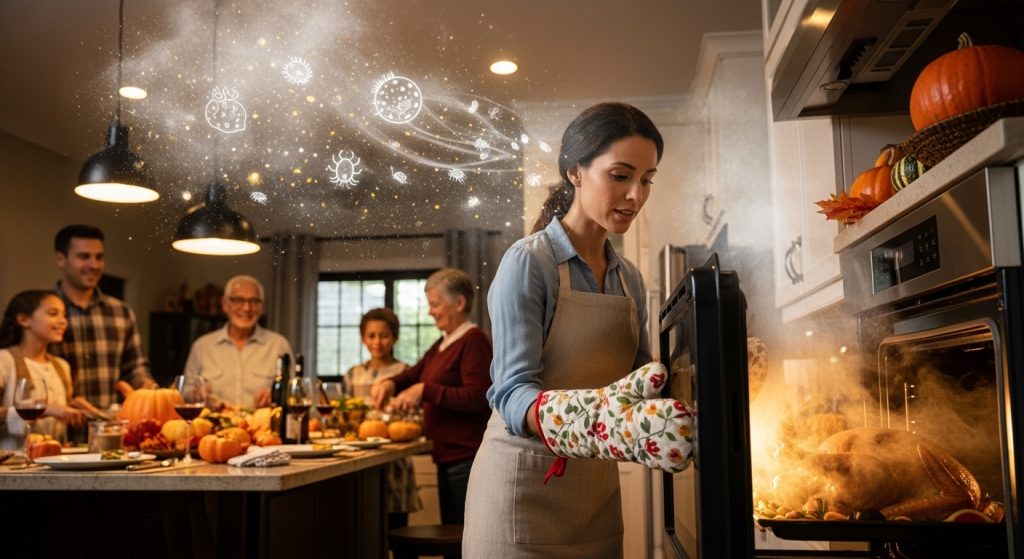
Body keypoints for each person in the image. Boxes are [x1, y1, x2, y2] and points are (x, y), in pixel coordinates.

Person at [463, 103, 695, 557]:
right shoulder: (530, 262)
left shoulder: (628, 276)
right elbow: (511, 393)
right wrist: (592, 422)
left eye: (647, 179)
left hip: (595, 498)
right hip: (521, 494)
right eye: (620, 175)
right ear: (575, 172)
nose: (635, 195)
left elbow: (642, 379)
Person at [371, 268, 492, 526]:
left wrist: (426, 390)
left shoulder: (474, 341)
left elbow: (479, 397)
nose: (430, 312)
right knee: (453, 538)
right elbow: (413, 375)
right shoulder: (442, 344)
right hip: (448, 457)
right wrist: (389, 383)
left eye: (434, 304)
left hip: (468, 460)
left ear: (459, 303)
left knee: (462, 542)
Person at [50, 225, 156, 411]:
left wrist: (147, 386)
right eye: (84, 257)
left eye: (99, 257)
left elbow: (135, 367)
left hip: (110, 427)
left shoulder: (121, 312)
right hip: (58, 430)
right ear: (60, 259)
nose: (94, 265)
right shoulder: (43, 314)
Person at [345, 308, 422, 529]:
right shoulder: (352, 374)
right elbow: (343, 421)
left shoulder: (405, 372)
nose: (377, 342)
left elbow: (415, 419)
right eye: (371, 336)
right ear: (362, 338)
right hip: (359, 461)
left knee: (397, 530)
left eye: (384, 335)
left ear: (395, 337)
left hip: (395, 464)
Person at [184, 275, 292, 409]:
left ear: (262, 307)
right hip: (213, 427)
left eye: (254, 301)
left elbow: (294, 394)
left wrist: (276, 396)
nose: (247, 308)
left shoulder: (279, 345)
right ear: (224, 304)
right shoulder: (201, 346)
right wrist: (195, 395)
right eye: (238, 300)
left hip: (262, 427)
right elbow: (185, 394)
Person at [0, 290, 87, 449]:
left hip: (54, 464)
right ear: (24, 319)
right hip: (11, 466)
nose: (63, 321)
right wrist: (44, 409)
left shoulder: (62, 366)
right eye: (53, 313)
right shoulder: (4, 361)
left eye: (64, 315)